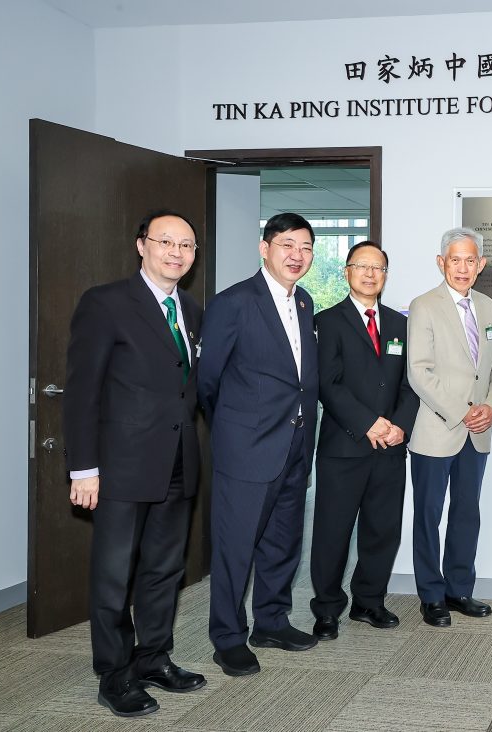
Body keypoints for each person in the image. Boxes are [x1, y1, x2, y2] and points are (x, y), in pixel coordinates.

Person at [63, 210, 206, 717]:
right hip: (120, 466)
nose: (176, 252)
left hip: (177, 462)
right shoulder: (106, 303)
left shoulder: (189, 308)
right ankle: (115, 674)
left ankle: (154, 658)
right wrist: (83, 469)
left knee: (165, 571)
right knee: (113, 575)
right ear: (140, 245)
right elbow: (81, 393)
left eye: (186, 245)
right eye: (165, 241)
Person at [198, 212, 320, 676]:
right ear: (264, 248)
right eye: (287, 244)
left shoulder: (305, 302)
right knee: (235, 547)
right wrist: (235, 430)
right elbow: (207, 381)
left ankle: (271, 621)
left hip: (295, 443)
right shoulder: (234, 302)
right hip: (246, 448)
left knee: (283, 542)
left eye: (306, 247)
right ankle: (227, 637)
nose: (297, 255)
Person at [309, 241, 418, 639]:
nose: (371, 274)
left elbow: (410, 383)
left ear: (386, 276)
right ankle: (326, 608)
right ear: (347, 272)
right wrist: (370, 423)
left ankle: (369, 602)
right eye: (362, 266)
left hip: (390, 448)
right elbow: (328, 384)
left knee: (382, 528)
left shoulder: (399, 323)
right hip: (345, 447)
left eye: (379, 268)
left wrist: (399, 426)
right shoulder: (327, 321)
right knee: (332, 531)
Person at [406, 227, 492, 627]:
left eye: (470, 260)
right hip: (437, 429)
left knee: (467, 512)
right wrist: (462, 411)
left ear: (480, 265)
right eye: (455, 259)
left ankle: (459, 590)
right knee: (428, 515)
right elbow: (420, 372)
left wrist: (491, 408)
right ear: (441, 262)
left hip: (478, 432)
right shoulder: (424, 305)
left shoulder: (488, 308)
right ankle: (431, 595)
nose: (463, 267)